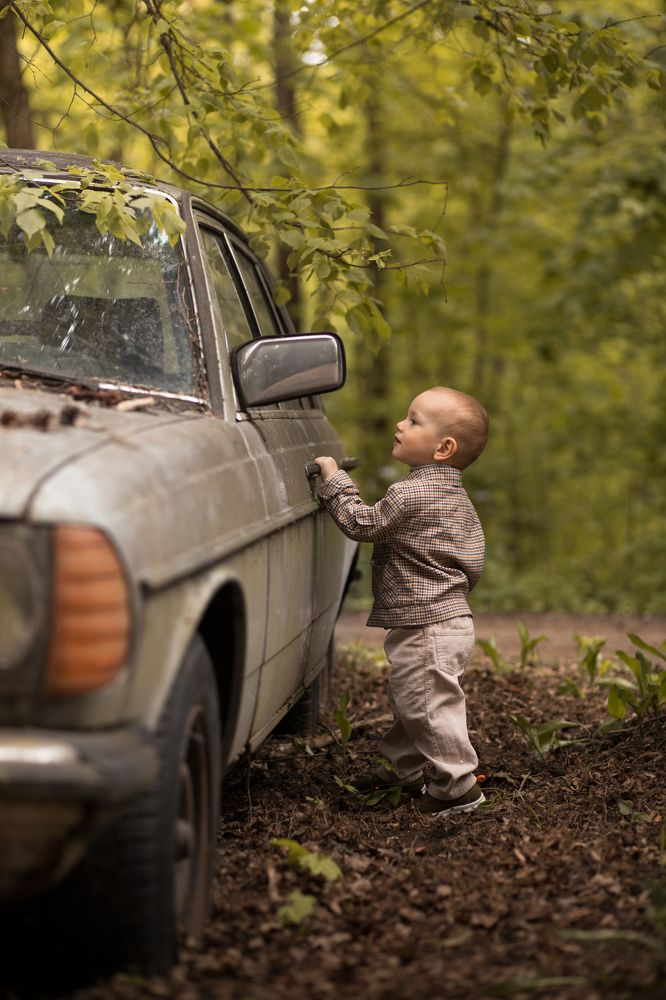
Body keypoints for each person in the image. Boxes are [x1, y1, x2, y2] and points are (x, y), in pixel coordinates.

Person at [315, 385, 489, 817]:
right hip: (447, 619)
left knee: (426, 705)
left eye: (413, 421)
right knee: (414, 700)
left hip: (428, 625)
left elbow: (362, 523)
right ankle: (401, 771)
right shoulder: (455, 497)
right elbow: (472, 561)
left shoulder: (412, 494)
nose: (400, 424)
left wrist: (334, 480)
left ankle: (458, 786)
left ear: (443, 448)